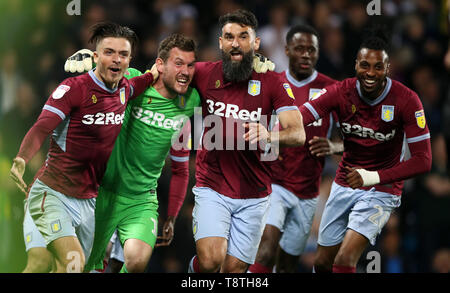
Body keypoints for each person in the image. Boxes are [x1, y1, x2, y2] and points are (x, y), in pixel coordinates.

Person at [10, 22, 158, 273]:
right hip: (53, 192)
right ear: (95, 56)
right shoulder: (73, 89)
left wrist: (156, 72)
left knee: (75, 268)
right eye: (109, 52)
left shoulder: (124, 89)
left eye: (123, 54)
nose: (116, 59)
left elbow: (144, 81)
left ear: (129, 60)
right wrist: (22, 157)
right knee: (64, 263)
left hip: (89, 202)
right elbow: (42, 127)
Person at [298, 29, 432, 273]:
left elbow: (424, 160)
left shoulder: (407, 101)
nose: (370, 73)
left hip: (382, 188)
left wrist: (372, 177)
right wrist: (269, 130)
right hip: (345, 181)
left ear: (388, 68)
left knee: (345, 258)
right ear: (356, 65)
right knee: (322, 262)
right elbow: (301, 115)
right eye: (365, 65)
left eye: (378, 67)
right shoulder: (341, 91)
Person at [188, 9, 305, 273]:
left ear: (255, 43)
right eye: (229, 37)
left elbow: (298, 133)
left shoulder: (273, 81)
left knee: (235, 270)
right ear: (220, 43)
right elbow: (166, 71)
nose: (235, 43)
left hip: (255, 194)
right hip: (212, 186)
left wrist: (270, 135)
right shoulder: (204, 73)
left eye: (243, 36)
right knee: (210, 261)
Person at [78, 33, 199, 273]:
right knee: (90, 264)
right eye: (178, 63)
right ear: (160, 64)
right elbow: (102, 81)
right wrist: (88, 66)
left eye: (190, 65)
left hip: (141, 200)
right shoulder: (133, 79)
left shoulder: (190, 102)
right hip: (103, 191)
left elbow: (180, 167)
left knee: (135, 262)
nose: (185, 71)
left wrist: (172, 215)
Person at [247, 24, 342, 273]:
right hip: (274, 183)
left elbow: (358, 139)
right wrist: (267, 145)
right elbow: (254, 130)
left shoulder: (333, 90)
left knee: (288, 264)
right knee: (266, 249)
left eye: (312, 49)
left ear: (318, 53)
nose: (306, 54)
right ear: (287, 50)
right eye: (300, 48)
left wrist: (333, 145)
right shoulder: (272, 84)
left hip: (308, 191)